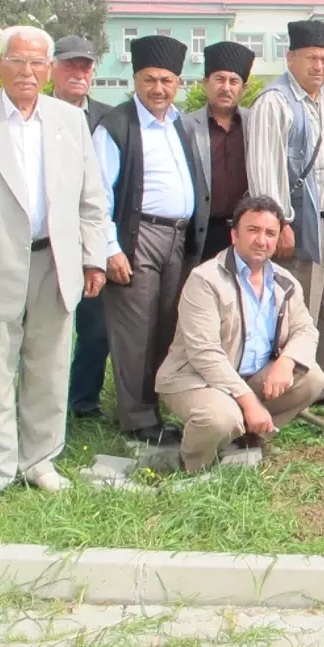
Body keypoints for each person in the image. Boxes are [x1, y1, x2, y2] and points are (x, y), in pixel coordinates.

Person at [0, 26, 109, 511]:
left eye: (38, 63)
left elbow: (92, 200)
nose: (28, 72)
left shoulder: (67, 121)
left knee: (50, 363)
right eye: (18, 61)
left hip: (54, 260)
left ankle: (40, 459)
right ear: (0, 64)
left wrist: (91, 256)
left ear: (49, 69)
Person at [156, 195, 324, 473]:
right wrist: (248, 402)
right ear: (234, 234)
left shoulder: (284, 281)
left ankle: (248, 438)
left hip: (250, 375)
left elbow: (305, 329)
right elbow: (204, 354)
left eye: (270, 233)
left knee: (312, 377)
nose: (262, 240)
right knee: (221, 418)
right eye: (253, 230)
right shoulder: (205, 279)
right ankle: (191, 465)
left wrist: (287, 361)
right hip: (196, 378)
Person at [94, 35, 208, 444]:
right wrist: (110, 247)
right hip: (137, 235)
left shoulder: (180, 123)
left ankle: (155, 406)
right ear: (135, 79)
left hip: (177, 238)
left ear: (178, 82)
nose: (158, 89)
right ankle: (138, 419)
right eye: (149, 80)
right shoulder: (117, 126)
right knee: (135, 330)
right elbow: (98, 195)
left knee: (166, 325)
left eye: (166, 80)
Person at [249, 20, 324, 411]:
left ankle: (320, 383)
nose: (319, 66)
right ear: (291, 58)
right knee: (300, 308)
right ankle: (291, 384)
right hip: (300, 224)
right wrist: (279, 223)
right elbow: (265, 169)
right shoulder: (276, 102)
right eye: (312, 58)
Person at [51, 35, 116, 420]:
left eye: (86, 66)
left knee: (95, 329)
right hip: (45, 240)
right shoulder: (35, 113)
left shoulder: (111, 118)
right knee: (42, 331)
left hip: (93, 238)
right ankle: (40, 401)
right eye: (71, 65)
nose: (79, 72)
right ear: (52, 68)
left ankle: (83, 401)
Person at [183, 41, 254, 264]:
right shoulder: (185, 126)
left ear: (244, 88)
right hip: (200, 233)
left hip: (245, 231)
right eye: (219, 79)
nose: (226, 87)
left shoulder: (255, 124)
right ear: (206, 83)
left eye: (234, 81)